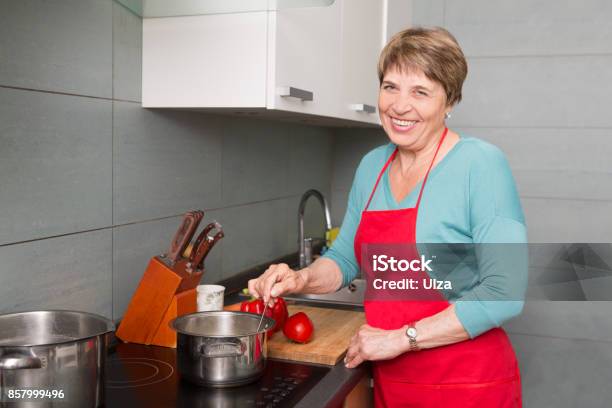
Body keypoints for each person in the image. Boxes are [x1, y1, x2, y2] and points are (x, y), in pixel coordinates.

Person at [249, 27, 527, 407]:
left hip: (467, 385)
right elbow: (346, 258)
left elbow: (503, 294)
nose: (399, 105)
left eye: (420, 92)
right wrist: (302, 278)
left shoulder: (481, 165)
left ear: (450, 101)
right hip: (393, 383)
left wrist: (399, 339)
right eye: (390, 87)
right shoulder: (372, 166)